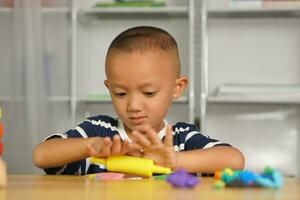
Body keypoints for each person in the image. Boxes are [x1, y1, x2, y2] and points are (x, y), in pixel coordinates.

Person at [32, 26, 244, 175]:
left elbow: (234, 160)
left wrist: (174, 161)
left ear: (176, 88)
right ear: (109, 89)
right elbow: (41, 155)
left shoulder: (180, 139)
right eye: (121, 94)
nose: (133, 106)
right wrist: (91, 146)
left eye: (149, 93)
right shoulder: (99, 132)